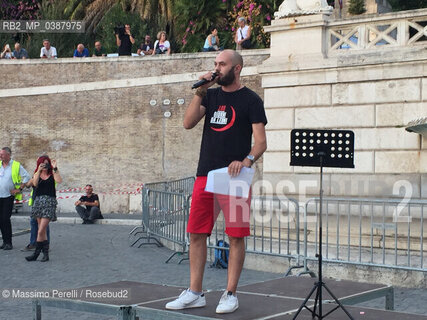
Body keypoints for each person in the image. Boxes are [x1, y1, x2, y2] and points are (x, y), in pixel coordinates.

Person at [165, 50, 267, 314]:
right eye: (215, 64)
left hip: (235, 177)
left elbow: (260, 142)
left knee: (235, 235)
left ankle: (230, 293)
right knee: (196, 233)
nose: (217, 68)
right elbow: (187, 123)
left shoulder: (251, 100)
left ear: (237, 68)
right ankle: (195, 292)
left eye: (222, 64)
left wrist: (246, 160)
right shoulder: (209, 96)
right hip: (206, 175)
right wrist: (201, 90)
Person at [25, 155, 62, 262]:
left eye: (47, 163)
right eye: (43, 163)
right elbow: (35, 184)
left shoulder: (52, 174)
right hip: (38, 203)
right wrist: (38, 171)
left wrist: (55, 168)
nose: (45, 165)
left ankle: (36, 253)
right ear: (39, 164)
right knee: (43, 231)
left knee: (41, 230)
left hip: (49, 203)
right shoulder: (37, 174)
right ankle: (45, 255)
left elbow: (59, 180)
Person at [0, 147, 31, 250]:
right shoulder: (0, 164)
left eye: (2, 154)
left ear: (8, 155)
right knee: (0, 220)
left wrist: (19, 189)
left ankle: (8, 242)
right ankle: (4, 242)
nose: (0, 156)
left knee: (5, 219)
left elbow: (27, 176)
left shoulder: (16, 165)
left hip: (8, 196)